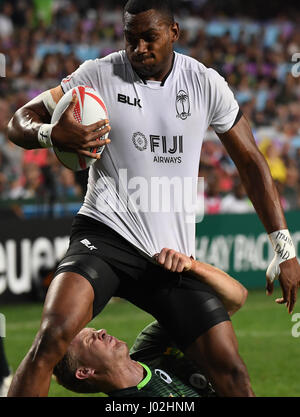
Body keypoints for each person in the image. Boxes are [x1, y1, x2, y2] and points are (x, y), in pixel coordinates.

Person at [7, 0, 299, 397]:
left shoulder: (205, 83)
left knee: (232, 373)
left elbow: (251, 163)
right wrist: (49, 134)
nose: (139, 48)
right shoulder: (98, 74)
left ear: (174, 33)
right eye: (131, 39)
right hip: (104, 236)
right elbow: (19, 121)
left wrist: (284, 250)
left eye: (150, 38)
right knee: (53, 336)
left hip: (169, 257)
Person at [53, 250, 248, 397]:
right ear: (85, 372)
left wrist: (193, 266)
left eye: (94, 330)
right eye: (91, 339)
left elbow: (234, 298)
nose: (102, 331)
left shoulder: (154, 347)